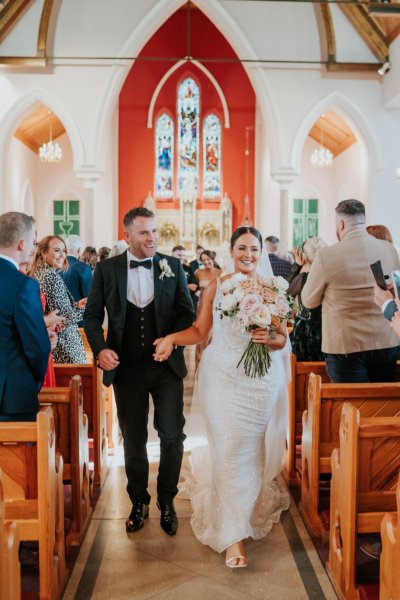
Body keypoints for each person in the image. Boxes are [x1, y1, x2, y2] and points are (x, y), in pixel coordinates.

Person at [154, 226, 290, 568]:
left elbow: (281, 339)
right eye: (242, 247)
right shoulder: (217, 286)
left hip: (260, 382)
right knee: (230, 450)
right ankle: (233, 539)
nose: (248, 254)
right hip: (223, 377)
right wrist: (172, 338)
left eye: (255, 249)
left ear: (261, 253)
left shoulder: (272, 288)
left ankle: (242, 510)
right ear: (231, 250)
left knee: (248, 451)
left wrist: (266, 336)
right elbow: (201, 330)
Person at [83, 207, 195, 536]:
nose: (152, 238)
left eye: (155, 232)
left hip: (165, 367)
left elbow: (186, 315)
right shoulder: (106, 269)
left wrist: (172, 341)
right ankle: (138, 500)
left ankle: (167, 500)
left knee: (173, 436)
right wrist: (101, 349)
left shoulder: (171, 266)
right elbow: (91, 317)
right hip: (127, 366)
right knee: (133, 440)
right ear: (128, 235)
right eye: (145, 233)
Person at [302, 199, 400, 383]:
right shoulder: (389, 250)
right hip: (386, 342)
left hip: (345, 346)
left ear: (340, 224)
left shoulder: (326, 255)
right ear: (364, 220)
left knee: (351, 405)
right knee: (383, 404)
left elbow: (309, 301)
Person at [0, 212, 50, 421]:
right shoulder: (23, 285)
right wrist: (34, 382)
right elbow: (37, 347)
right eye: (33, 242)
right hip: (11, 398)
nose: (32, 248)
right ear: (22, 244)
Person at [29, 236, 87, 364]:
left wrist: (77, 304)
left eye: (64, 250)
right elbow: (62, 319)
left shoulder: (37, 273)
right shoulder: (51, 277)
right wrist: (87, 309)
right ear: (44, 253)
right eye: (57, 250)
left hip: (53, 343)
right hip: (64, 346)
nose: (62, 255)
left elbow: (52, 308)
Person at [289, 237, 327, 361]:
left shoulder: (302, 279)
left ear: (304, 256)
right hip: (326, 331)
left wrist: (297, 266)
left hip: (304, 335)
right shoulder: (329, 278)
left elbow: (285, 294)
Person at [60, 235, 93, 302]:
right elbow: (89, 296)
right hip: (78, 310)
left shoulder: (57, 266)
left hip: (59, 311)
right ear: (79, 250)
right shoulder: (84, 268)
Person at [172, 245, 199, 311]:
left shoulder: (188, 269)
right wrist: (187, 286)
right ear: (172, 255)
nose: (182, 257)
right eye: (179, 255)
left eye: (183, 255)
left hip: (185, 301)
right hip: (171, 301)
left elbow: (194, 285)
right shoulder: (167, 268)